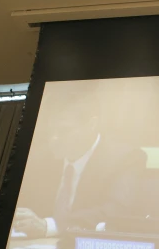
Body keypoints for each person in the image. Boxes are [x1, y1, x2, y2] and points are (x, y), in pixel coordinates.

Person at [13, 98, 146, 238]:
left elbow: (117, 210)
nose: (54, 138)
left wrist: (50, 226)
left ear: (91, 124)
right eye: (50, 131)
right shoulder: (40, 157)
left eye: (64, 130)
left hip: (89, 245)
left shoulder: (125, 158)